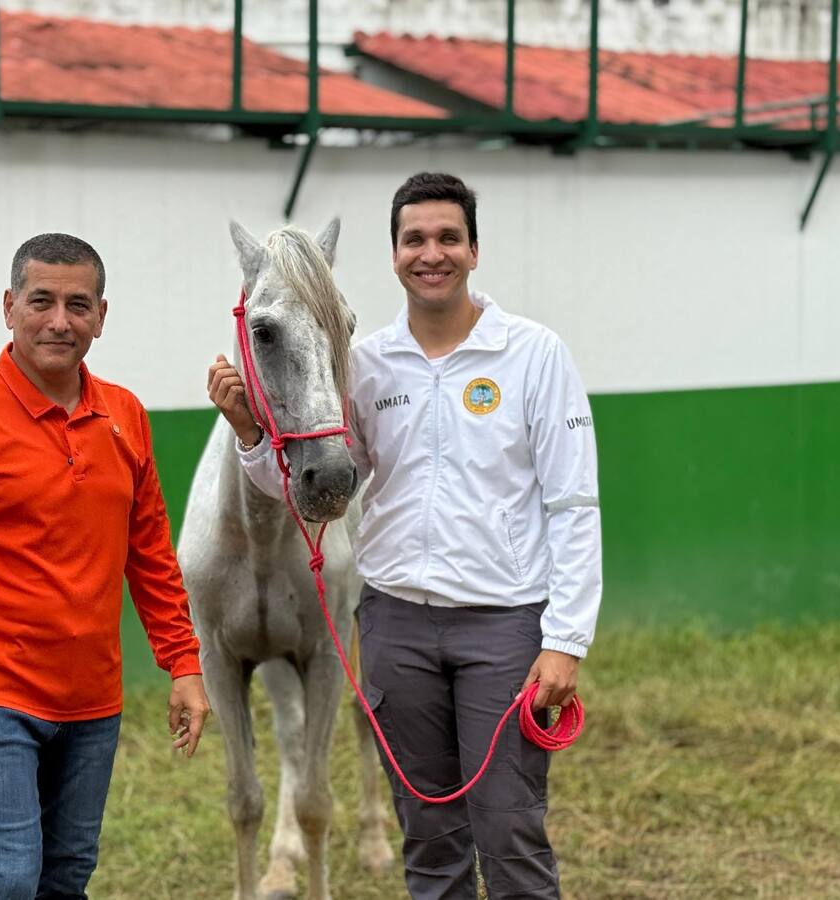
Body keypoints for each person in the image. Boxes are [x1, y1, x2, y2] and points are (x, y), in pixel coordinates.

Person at [208, 173, 601, 899]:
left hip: (503, 625)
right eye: (414, 239)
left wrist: (566, 640)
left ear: (474, 250)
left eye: (449, 237)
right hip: (395, 627)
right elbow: (318, 495)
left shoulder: (535, 355)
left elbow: (574, 505)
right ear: (394, 255)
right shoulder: (367, 363)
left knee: (509, 831)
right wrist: (250, 437)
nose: (431, 253)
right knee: (428, 838)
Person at [0, 233, 210, 900]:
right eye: (41, 301)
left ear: (101, 317)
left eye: (78, 305)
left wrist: (183, 662)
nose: (60, 321)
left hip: (92, 696)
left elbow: (149, 554)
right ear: (9, 307)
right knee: (6, 880)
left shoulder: (126, 414)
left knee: (67, 876)